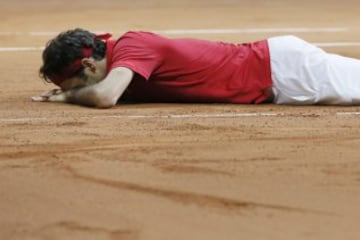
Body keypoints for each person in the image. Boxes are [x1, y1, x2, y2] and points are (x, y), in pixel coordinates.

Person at [33, 28, 360, 108]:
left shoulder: (132, 46)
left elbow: (104, 97)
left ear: (88, 64)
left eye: (73, 85)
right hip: (277, 75)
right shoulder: (128, 68)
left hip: (283, 70)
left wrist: (68, 99)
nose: (73, 91)